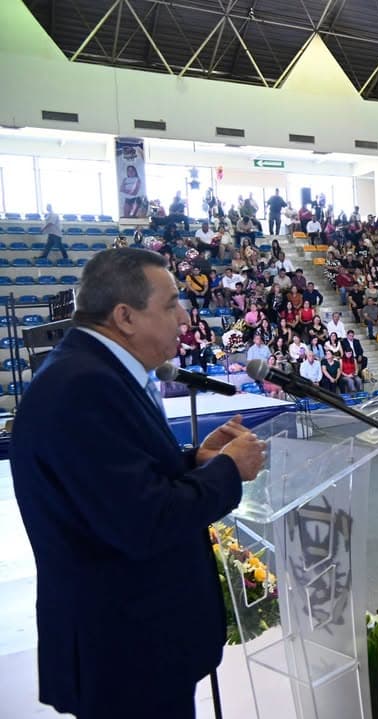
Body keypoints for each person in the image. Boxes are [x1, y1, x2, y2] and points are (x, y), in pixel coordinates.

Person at [10, 247, 266, 719]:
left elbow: (117, 482)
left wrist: (195, 461)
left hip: (136, 644)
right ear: (125, 316)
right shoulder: (83, 387)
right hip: (125, 651)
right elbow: (142, 521)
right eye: (170, 305)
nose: (184, 317)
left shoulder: (94, 371)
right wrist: (229, 470)